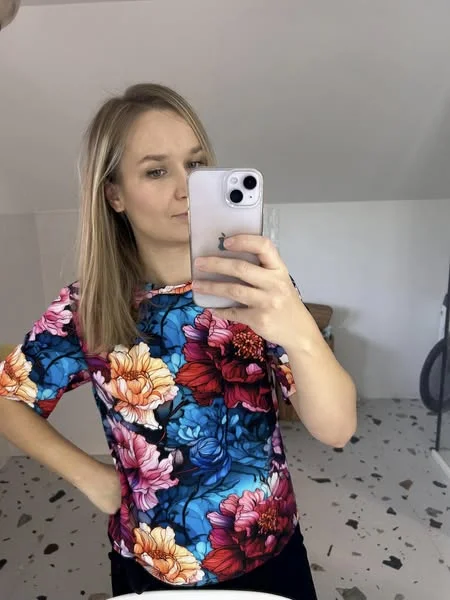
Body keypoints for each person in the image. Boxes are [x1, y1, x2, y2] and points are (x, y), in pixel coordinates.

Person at [0, 83, 357, 598]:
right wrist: (90, 477)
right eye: (156, 171)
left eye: (195, 164)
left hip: (268, 546)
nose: (186, 188)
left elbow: (337, 429)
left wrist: (299, 330)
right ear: (113, 194)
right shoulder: (88, 306)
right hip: (151, 562)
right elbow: (9, 396)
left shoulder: (256, 289)